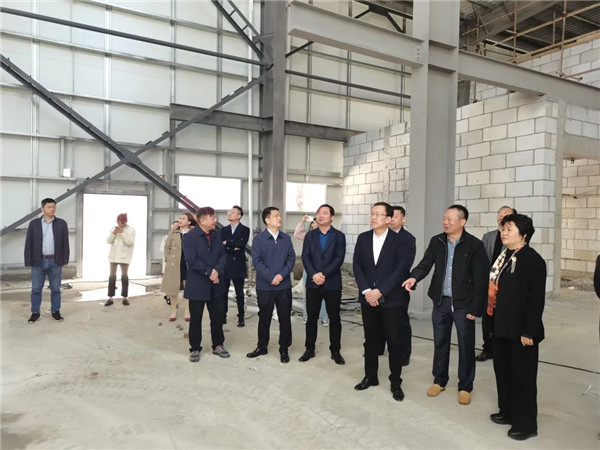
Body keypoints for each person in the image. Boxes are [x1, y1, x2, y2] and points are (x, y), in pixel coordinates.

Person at [402, 205, 488, 405]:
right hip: (441, 302)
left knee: (466, 346)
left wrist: (476, 308)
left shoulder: (474, 245)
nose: (445, 222)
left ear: (462, 221)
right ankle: (439, 380)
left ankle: (465, 385)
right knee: (440, 342)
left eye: (450, 219)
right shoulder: (437, 241)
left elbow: (481, 279)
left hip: (464, 304)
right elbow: (425, 264)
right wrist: (413, 277)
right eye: (444, 218)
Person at [488, 214, 546, 441]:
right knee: (503, 371)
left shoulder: (532, 260)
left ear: (524, 235)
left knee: (522, 377)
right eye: (503, 229)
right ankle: (507, 411)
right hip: (502, 326)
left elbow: (536, 299)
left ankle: (526, 424)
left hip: (521, 331)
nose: (504, 233)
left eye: (509, 229)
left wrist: (529, 330)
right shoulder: (504, 256)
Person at [353, 202, 415, 402]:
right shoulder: (363, 238)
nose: (373, 217)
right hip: (368, 298)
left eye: (378, 214)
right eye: (372, 213)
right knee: (370, 340)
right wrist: (367, 291)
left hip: (391, 299)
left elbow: (400, 269)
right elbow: (357, 266)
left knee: (394, 342)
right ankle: (370, 376)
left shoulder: (400, 241)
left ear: (388, 219)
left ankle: (395, 382)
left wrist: (380, 291)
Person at [247, 207, 296, 364]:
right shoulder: (259, 240)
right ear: (267, 220)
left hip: (283, 286)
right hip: (265, 286)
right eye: (276, 216)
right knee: (264, 317)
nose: (279, 218)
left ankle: (284, 349)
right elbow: (257, 261)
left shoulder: (286, 238)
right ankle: (262, 346)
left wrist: (282, 275)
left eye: (280, 215)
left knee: (284, 318)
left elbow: (291, 259)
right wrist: (270, 277)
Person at [299, 204, 346, 365]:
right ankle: (309, 349)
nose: (320, 215)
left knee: (334, 318)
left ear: (332, 217)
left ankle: (335, 351)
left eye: (325, 213)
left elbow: (339, 258)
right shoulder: (310, 236)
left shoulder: (339, 236)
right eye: (319, 213)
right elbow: (305, 257)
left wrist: (323, 274)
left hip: (332, 283)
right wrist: (314, 275)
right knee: (311, 318)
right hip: (313, 283)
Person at [183, 207, 229, 362]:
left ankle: (218, 345)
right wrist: (210, 273)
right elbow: (191, 260)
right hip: (198, 284)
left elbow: (223, 255)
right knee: (196, 318)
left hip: (216, 284)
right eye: (212, 218)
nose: (215, 220)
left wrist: (217, 271)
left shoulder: (217, 235)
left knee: (217, 317)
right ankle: (195, 348)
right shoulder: (190, 237)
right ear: (202, 220)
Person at [477, 206, 516, 362]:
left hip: (506, 286)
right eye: (500, 214)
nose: (503, 216)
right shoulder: (488, 236)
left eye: (507, 214)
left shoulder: (517, 238)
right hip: (489, 285)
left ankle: (503, 349)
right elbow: (481, 260)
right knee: (487, 319)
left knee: (504, 318)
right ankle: (487, 348)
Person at [24, 198, 70, 323]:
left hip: (55, 261)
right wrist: (28, 260)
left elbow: (65, 243)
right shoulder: (34, 224)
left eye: (54, 207)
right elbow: (29, 243)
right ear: (42, 209)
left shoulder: (61, 223)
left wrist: (65, 259)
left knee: (55, 289)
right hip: (38, 261)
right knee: (36, 289)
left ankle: (55, 312)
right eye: (49, 207)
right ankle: (35, 313)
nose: (52, 209)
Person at [389, 205, 415, 366]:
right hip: (379, 287)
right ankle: (378, 347)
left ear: (403, 219)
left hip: (399, 286)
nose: (392, 219)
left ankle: (404, 353)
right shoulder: (380, 236)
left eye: (395, 216)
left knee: (400, 321)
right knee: (379, 320)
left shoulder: (408, 238)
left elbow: (404, 265)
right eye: (390, 216)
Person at [294, 215, 329, 326]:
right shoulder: (308, 236)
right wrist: (302, 221)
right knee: (307, 294)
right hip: (309, 269)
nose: (314, 224)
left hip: (323, 269)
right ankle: (306, 316)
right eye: (313, 222)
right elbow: (297, 234)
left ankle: (324, 317)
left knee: (324, 294)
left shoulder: (327, 236)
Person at [161, 212, 196, 322]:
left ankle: (187, 310)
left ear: (189, 222)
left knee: (188, 288)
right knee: (172, 288)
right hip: (174, 264)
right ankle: (173, 310)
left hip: (187, 264)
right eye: (180, 218)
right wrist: (168, 258)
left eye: (183, 219)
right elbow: (167, 247)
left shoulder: (193, 233)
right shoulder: (173, 232)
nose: (180, 220)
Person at [221, 205, 250, 327]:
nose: (229, 213)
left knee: (239, 293)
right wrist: (233, 246)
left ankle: (241, 317)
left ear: (239, 216)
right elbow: (222, 245)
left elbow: (242, 244)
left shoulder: (245, 229)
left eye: (233, 212)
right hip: (226, 264)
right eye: (229, 212)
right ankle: (223, 315)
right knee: (223, 292)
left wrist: (228, 243)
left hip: (238, 264)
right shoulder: (223, 230)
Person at [104, 213, 135, 307]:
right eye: (119, 223)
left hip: (124, 256)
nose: (120, 225)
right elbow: (108, 241)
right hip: (113, 256)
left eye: (122, 223)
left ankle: (125, 297)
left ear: (125, 222)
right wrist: (113, 234)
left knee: (124, 276)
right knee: (112, 276)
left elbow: (129, 242)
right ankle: (110, 297)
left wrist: (122, 233)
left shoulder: (131, 230)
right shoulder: (113, 228)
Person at [161, 220, 181, 306]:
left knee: (174, 282)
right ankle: (169, 298)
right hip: (170, 261)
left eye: (177, 225)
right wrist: (168, 257)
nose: (175, 226)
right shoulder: (167, 236)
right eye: (174, 225)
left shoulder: (180, 235)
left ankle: (170, 298)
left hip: (177, 262)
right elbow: (164, 248)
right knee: (170, 283)